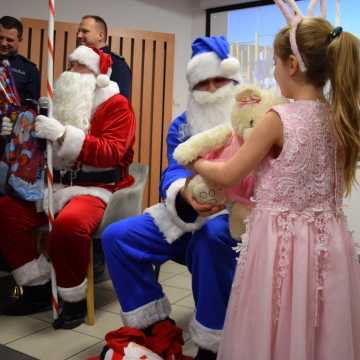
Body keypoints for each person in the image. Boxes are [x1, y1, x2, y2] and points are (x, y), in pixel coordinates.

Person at [188, 18, 360, 360]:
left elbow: (228, 175)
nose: (275, 72)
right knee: (322, 328)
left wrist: (193, 161)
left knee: (273, 323)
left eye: (275, 64)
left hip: (280, 245)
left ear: (292, 65)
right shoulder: (340, 118)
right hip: (329, 243)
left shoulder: (277, 119)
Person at [101, 36, 241, 360]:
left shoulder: (249, 120)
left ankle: (211, 344)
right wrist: (184, 195)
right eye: (202, 82)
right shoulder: (181, 125)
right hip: (183, 215)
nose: (211, 89)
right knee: (116, 237)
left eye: (218, 80)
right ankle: (155, 328)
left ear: (231, 80)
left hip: (231, 218)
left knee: (210, 239)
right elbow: (173, 171)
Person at [0, 45, 136, 330]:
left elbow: (111, 152)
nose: (71, 71)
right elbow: (35, 149)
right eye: (71, 64)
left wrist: (63, 134)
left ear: (99, 75)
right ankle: (37, 287)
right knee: (7, 211)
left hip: (96, 187)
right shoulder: (58, 102)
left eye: (80, 66)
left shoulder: (117, 105)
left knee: (69, 224)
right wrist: (16, 127)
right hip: (52, 184)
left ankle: (72, 299)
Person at [77, 15, 131, 100]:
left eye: (85, 31)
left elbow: (120, 104)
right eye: (79, 31)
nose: (79, 35)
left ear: (100, 36)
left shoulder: (117, 64)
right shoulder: (78, 62)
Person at [0, 16, 40, 104]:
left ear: (20, 40)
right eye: (0, 38)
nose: (3, 43)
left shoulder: (30, 70)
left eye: (9, 40)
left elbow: (31, 106)